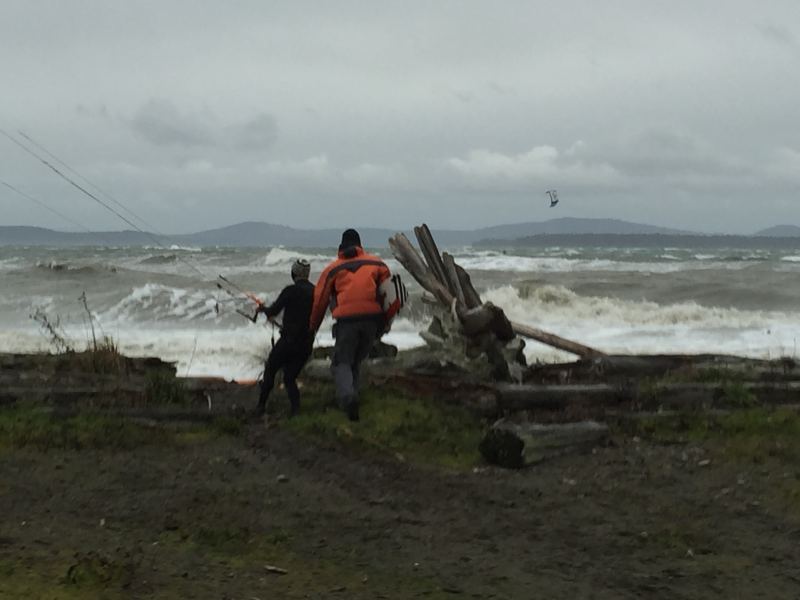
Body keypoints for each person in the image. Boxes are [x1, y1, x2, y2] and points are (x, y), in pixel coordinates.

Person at [309, 229, 395, 421]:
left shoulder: (333, 269)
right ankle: (354, 397)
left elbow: (320, 300)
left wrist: (313, 326)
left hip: (347, 322)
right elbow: (389, 295)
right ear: (359, 245)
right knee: (356, 361)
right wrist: (386, 323)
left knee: (341, 363)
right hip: (372, 320)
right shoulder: (377, 264)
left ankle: (348, 399)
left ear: (341, 247)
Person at [254, 259, 314, 417]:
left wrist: (263, 309)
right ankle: (296, 410)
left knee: (271, 369)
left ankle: (261, 406)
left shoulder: (290, 291)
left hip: (288, 342)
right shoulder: (316, 292)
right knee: (289, 378)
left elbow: (273, 310)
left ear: (294, 273)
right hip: (306, 344)